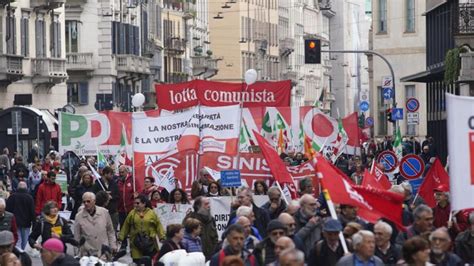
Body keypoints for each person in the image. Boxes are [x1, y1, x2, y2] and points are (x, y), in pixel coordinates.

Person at [118, 194, 165, 264]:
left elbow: (158, 225)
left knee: (148, 261)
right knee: (137, 262)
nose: (135, 205)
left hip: (150, 243)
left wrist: (162, 237)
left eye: (137, 203)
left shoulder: (151, 213)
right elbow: (126, 226)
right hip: (136, 243)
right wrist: (120, 238)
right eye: (134, 203)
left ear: (144, 204)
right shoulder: (132, 213)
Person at [74, 192, 117, 257]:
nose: (86, 203)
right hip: (87, 255)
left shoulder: (104, 212)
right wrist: (77, 254)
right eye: (84, 202)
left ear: (94, 201)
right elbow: (77, 237)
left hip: (104, 253)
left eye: (88, 201)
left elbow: (110, 231)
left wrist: (113, 245)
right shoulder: (78, 216)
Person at [6, 181, 35, 251]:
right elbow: (32, 211)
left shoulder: (12, 197)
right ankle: (22, 252)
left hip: (15, 222)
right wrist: (33, 222)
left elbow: (8, 210)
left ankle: (19, 253)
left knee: (18, 240)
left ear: (17, 187)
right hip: (26, 223)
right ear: (26, 188)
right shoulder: (29, 197)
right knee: (24, 241)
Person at [92, 166, 120, 231]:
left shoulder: (114, 183)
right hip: (100, 211)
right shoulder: (97, 184)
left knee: (113, 230)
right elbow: (94, 195)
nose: (112, 176)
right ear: (105, 174)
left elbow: (118, 195)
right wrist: (103, 195)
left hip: (112, 211)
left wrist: (111, 197)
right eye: (110, 174)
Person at [117, 165, 135, 231]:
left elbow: (138, 191)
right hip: (121, 209)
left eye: (122, 172)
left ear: (127, 172)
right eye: (120, 172)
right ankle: (123, 241)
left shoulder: (132, 180)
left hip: (131, 209)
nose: (121, 174)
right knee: (123, 227)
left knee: (132, 228)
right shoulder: (118, 181)